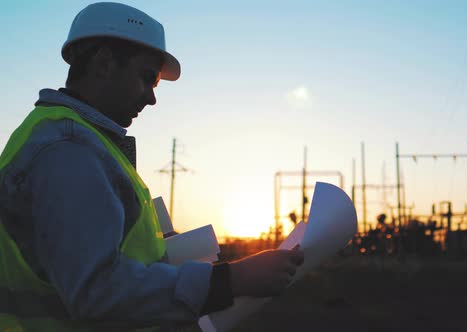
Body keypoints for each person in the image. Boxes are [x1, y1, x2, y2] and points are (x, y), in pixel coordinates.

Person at [0, 2, 303, 331]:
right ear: (103, 64)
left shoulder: (78, 142)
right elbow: (96, 291)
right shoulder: (67, 150)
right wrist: (230, 280)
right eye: (147, 79)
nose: (151, 98)